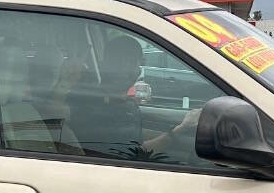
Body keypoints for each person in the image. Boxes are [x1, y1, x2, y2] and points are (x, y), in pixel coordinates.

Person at [60, 34, 198, 160]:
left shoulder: (115, 102)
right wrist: (181, 129)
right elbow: (137, 153)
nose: (136, 70)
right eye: (133, 63)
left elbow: (134, 140)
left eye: (136, 63)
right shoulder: (97, 109)